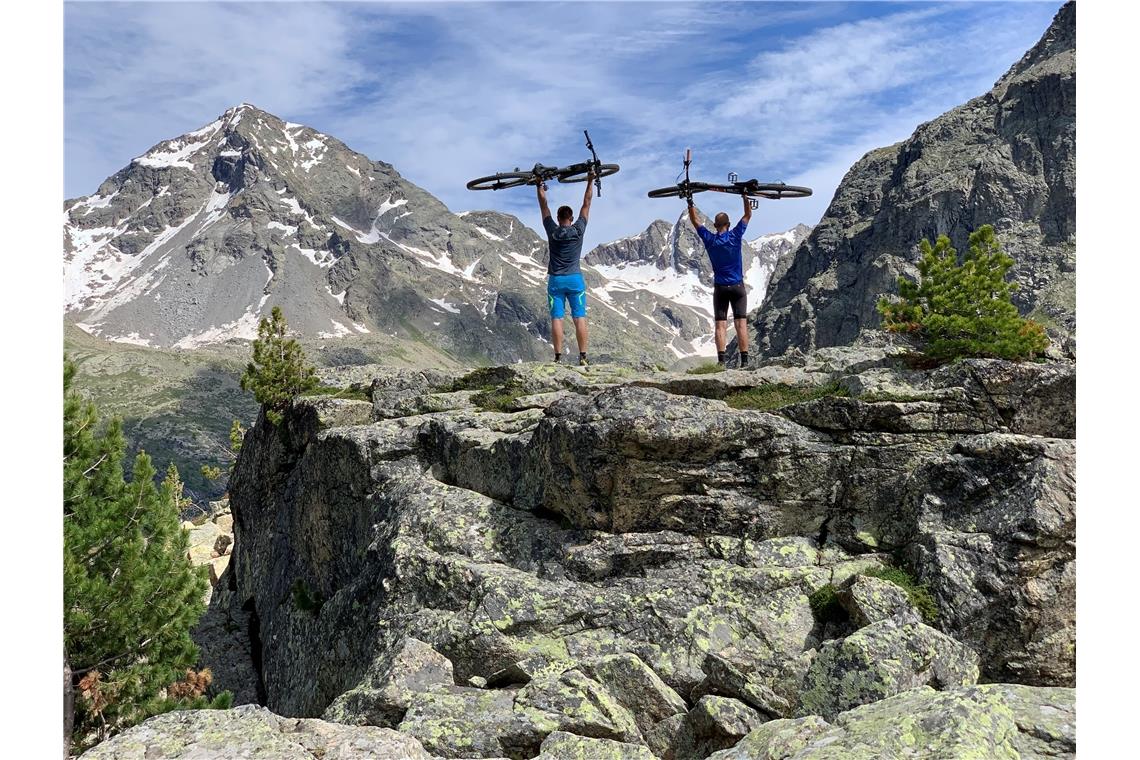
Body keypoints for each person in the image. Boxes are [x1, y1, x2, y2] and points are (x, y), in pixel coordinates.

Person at [687, 192, 752, 367]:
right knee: (741, 324)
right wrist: (745, 197)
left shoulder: (710, 240)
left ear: (715, 226)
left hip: (721, 288)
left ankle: (721, 362)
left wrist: (690, 201)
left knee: (720, 325)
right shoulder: (735, 236)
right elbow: (747, 215)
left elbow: (695, 222)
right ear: (728, 225)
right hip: (738, 286)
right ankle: (745, 362)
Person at [537, 169, 594, 365]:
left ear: (559, 218)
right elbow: (586, 204)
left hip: (556, 280)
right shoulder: (578, 230)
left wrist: (539, 186)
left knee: (557, 318)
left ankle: (558, 358)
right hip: (575, 279)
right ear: (570, 218)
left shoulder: (552, 231)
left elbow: (543, 207)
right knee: (579, 317)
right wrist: (590, 180)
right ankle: (583, 357)